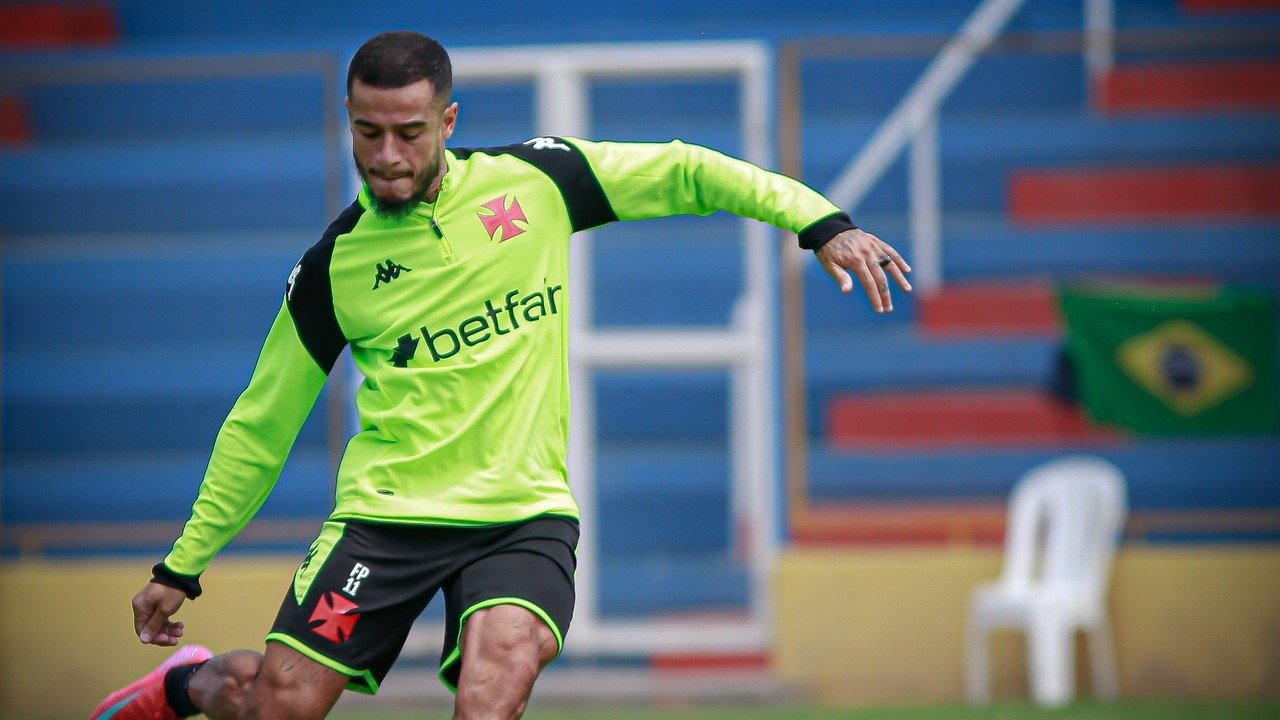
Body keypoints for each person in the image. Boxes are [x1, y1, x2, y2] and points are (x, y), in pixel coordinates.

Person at [90, 29, 911, 720]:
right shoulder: (332, 269)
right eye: (368, 133)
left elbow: (685, 169)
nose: (387, 156)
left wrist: (820, 222)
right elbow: (263, 424)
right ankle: (185, 686)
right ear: (347, 120)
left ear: (449, 121)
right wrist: (181, 566)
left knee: (499, 676)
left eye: (409, 132)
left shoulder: (537, 182)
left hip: (520, 513)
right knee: (278, 703)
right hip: (386, 519)